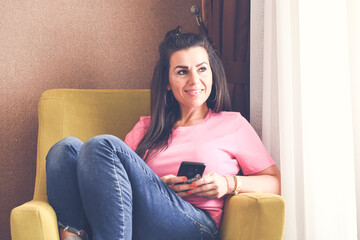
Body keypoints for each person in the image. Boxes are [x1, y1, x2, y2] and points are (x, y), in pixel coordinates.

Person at [46, 26, 281, 240]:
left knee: (101, 145)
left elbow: (274, 182)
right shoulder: (146, 128)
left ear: (212, 74)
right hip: (136, 220)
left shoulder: (233, 124)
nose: (194, 80)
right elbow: (115, 183)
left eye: (201, 69)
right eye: (182, 72)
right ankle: (73, 236)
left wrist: (229, 184)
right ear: (168, 81)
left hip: (196, 225)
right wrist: (158, 185)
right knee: (64, 149)